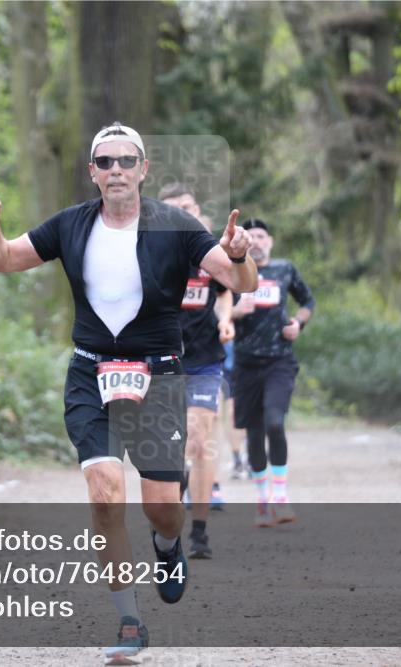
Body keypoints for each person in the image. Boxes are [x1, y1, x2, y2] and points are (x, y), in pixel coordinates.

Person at [0, 123, 258, 662]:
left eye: (127, 160)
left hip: (161, 374)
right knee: (104, 495)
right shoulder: (71, 225)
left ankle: (168, 546)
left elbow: (243, 284)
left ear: (145, 169)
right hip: (90, 372)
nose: (116, 170)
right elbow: (2, 259)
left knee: (162, 508)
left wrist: (239, 255)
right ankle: (129, 620)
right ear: (93, 172)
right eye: (106, 162)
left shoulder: (177, 226)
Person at [159, 183, 233, 560]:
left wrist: (225, 320)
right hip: (162, 360)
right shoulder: (153, 254)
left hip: (204, 358)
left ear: (198, 209)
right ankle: (175, 497)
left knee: (199, 437)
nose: (181, 215)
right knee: (174, 445)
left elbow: (224, 292)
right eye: (173, 210)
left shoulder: (210, 252)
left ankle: (199, 533)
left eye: (186, 207)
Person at [230, 218, 314, 528]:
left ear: (270, 241)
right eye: (250, 236)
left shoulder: (284, 269)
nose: (256, 240)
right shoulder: (232, 271)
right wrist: (235, 312)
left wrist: (298, 324)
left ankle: (280, 496)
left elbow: (307, 301)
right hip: (245, 363)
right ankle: (262, 500)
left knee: (275, 423)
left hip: (279, 360)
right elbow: (218, 307)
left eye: (261, 236)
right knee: (253, 432)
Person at [220, 339, 248, 480]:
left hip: (248, 364)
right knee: (232, 412)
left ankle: (250, 455)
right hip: (226, 367)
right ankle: (237, 458)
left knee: (250, 412)